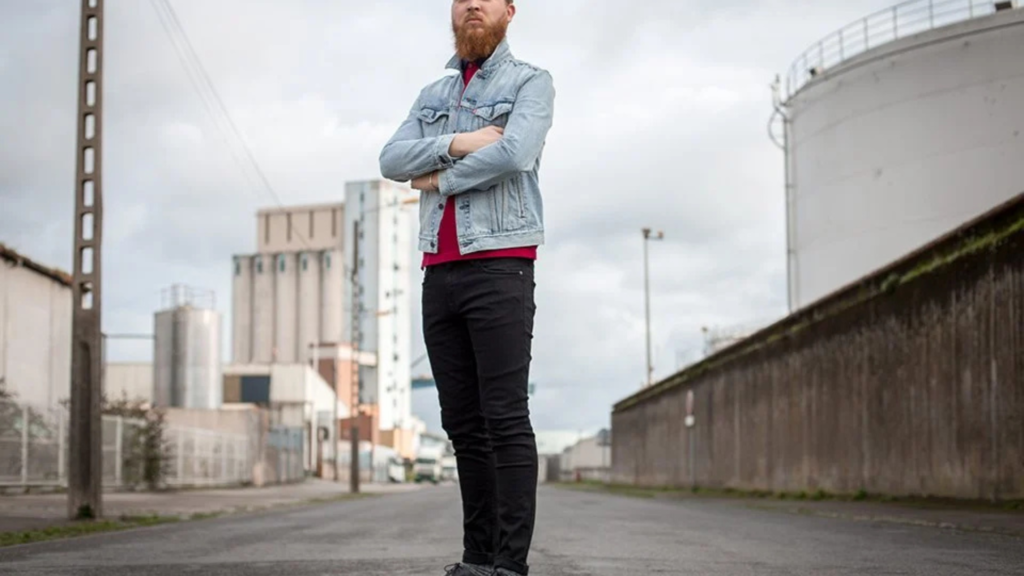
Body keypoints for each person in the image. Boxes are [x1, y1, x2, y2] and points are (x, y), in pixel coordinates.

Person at [379, 0, 554, 574]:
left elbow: (516, 151)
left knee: (504, 416)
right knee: (461, 424)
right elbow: (390, 158)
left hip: (501, 264)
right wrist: (460, 142)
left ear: (510, 10)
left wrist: (434, 178)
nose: (471, 3)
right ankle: (477, 560)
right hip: (439, 269)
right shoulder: (433, 95)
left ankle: (510, 565)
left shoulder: (531, 82)